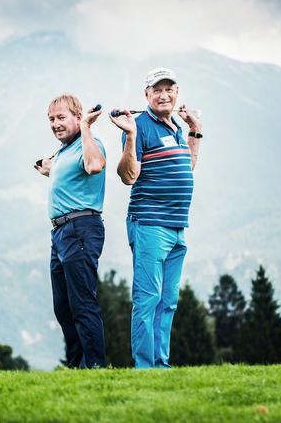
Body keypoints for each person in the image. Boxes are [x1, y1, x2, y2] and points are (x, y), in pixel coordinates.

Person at [109, 67, 202, 368]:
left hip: (177, 226)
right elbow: (128, 176)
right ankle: (145, 367)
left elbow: (187, 168)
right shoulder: (139, 125)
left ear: (177, 93)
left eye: (169, 89)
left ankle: (161, 363)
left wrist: (194, 129)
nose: (164, 95)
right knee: (148, 298)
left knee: (168, 301)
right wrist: (131, 135)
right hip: (149, 223)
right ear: (146, 95)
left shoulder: (176, 126)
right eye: (157, 90)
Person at [35, 94, 107, 368]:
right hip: (60, 233)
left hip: (80, 228)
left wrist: (88, 128)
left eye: (61, 117)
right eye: (51, 119)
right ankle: (77, 367)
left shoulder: (89, 143)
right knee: (63, 307)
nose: (55, 124)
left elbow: (94, 165)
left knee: (82, 302)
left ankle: (95, 367)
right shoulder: (64, 151)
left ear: (78, 117)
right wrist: (49, 171)